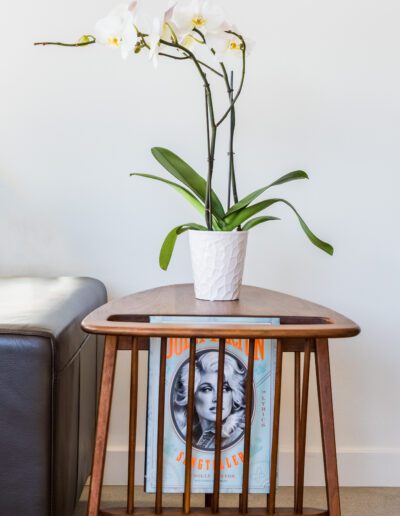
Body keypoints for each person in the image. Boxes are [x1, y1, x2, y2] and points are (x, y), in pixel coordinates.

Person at [172, 350, 247, 450]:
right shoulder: (185, 435)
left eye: (225, 389)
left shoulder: (238, 439)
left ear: (234, 394)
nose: (217, 398)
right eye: (207, 389)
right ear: (191, 395)